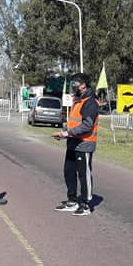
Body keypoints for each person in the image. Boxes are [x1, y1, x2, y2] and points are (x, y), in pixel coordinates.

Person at [53, 72, 99, 216]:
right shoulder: (77, 100)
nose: (74, 85)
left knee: (83, 174)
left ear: (84, 85)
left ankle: (85, 204)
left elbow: (87, 125)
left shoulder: (90, 102)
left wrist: (68, 133)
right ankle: (72, 200)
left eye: (76, 83)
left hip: (84, 143)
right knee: (69, 171)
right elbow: (74, 121)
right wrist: (64, 133)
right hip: (73, 141)